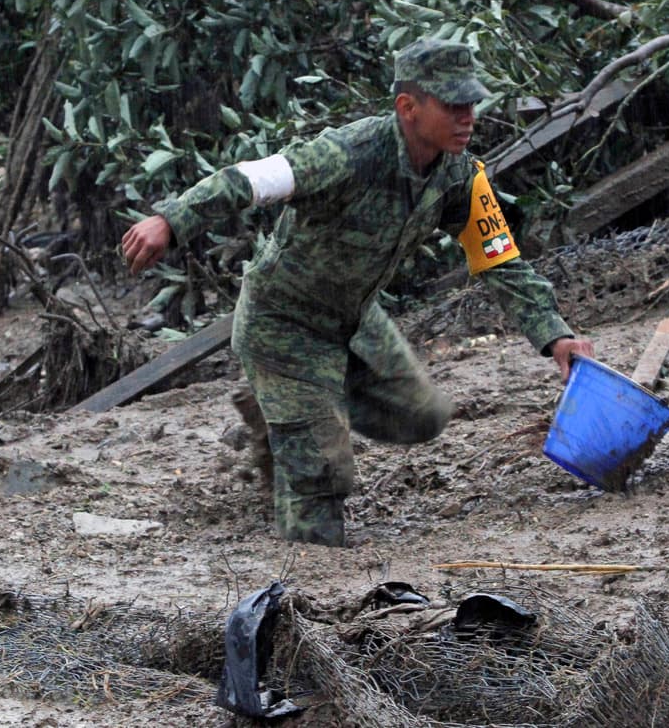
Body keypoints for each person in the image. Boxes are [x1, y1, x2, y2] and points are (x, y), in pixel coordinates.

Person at [122, 38, 595, 547]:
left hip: (353, 319)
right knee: (322, 486)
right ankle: (296, 432)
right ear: (408, 107)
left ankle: (285, 412)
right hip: (281, 324)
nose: (468, 117)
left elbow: (501, 260)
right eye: (453, 105)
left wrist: (555, 336)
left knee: (424, 416)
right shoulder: (346, 153)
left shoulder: (460, 176)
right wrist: (171, 220)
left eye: (472, 104)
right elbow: (253, 179)